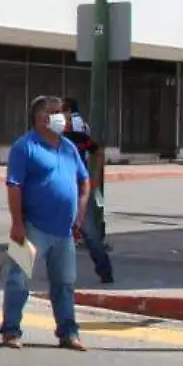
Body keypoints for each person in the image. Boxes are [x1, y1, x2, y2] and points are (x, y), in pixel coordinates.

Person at [0, 95, 91, 351]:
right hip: (32, 228)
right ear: (41, 118)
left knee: (64, 283)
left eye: (62, 112)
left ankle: (68, 333)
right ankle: (11, 331)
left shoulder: (68, 147)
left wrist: (80, 215)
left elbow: (84, 181)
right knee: (18, 280)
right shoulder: (24, 147)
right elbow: (14, 186)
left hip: (64, 232)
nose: (63, 117)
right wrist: (17, 222)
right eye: (56, 112)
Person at [60, 97, 115, 284]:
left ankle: (105, 272)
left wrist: (96, 179)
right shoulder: (48, 139)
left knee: (89, 232)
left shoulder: (77, 137)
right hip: (55, 191)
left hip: (76, 190)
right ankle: (20, 271)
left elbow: (97, 152)